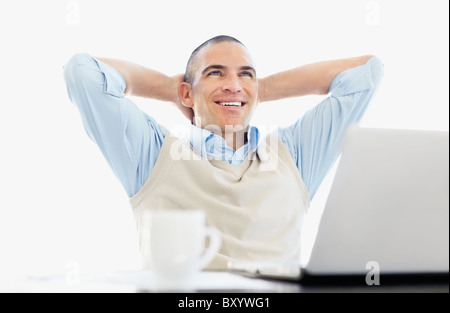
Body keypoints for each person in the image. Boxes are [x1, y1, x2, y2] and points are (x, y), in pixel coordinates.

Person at [63, 35, 384, 270]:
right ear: (188, 92)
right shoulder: (151, 154)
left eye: (246, 73)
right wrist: (170, 89)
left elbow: (366, 74)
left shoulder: (296, 154)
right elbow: (83, 72)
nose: (233, 84)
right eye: (215, 72)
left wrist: (255, 91)